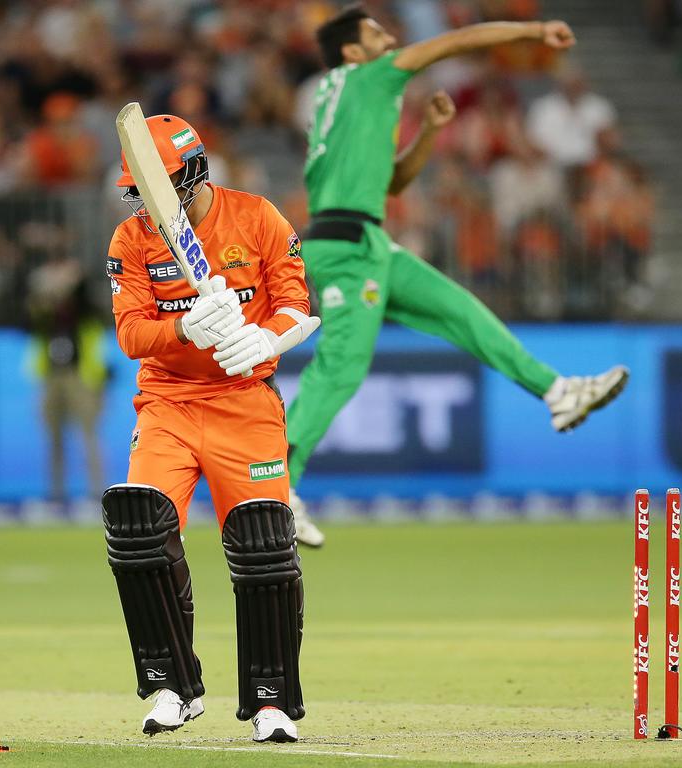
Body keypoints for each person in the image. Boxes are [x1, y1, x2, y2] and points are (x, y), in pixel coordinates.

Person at [286, 6, 630, 547]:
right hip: (346, 249)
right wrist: (533, 31)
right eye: (376, 32)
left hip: (367, 240)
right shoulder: (371, 77)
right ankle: (277, 486)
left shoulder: (345, 96)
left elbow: (392, 184)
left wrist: (427, 134)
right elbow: (456, 42)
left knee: (459, 309)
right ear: (352, 51)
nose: (390, 36)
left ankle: (557, 390)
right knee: (343, 365)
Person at [102, 113, 317, 743]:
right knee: (140, 524)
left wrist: (259, 342)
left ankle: (272, 701)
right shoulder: (131, 239)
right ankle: (172, 686)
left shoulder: (257, 218)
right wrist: (185, 329)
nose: (147, 203)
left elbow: (296, 306)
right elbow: (130, 332)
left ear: (195, 173)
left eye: (158, 188)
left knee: (264, 544)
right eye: (138, 190)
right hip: (168, 403)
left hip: (245, 401)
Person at [26, 254, 107, 502]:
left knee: (88, 435)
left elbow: (91, 311)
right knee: (54, 436)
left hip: (80, 376)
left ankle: (96, 491)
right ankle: (56, 491)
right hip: (51, 376)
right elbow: (29, 322)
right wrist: (48, 294)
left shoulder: (83, 306)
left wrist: (72, 284)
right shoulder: (45, 307)